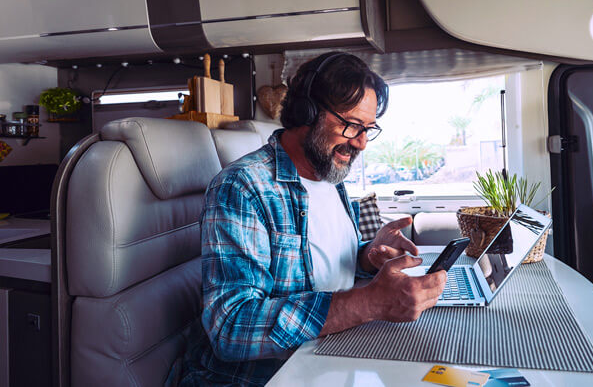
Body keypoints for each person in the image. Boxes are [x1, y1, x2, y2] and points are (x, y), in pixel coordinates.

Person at [179, 52, 447, 386]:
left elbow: (319, 269)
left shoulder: (331, 177)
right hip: (268, 377)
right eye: (351, 125)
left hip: (332, 355)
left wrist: (367, 255)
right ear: (306, 112)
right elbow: (231, 327)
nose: (361, 142)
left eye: (368, 129)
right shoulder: (243, 187)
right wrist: (370, 302)